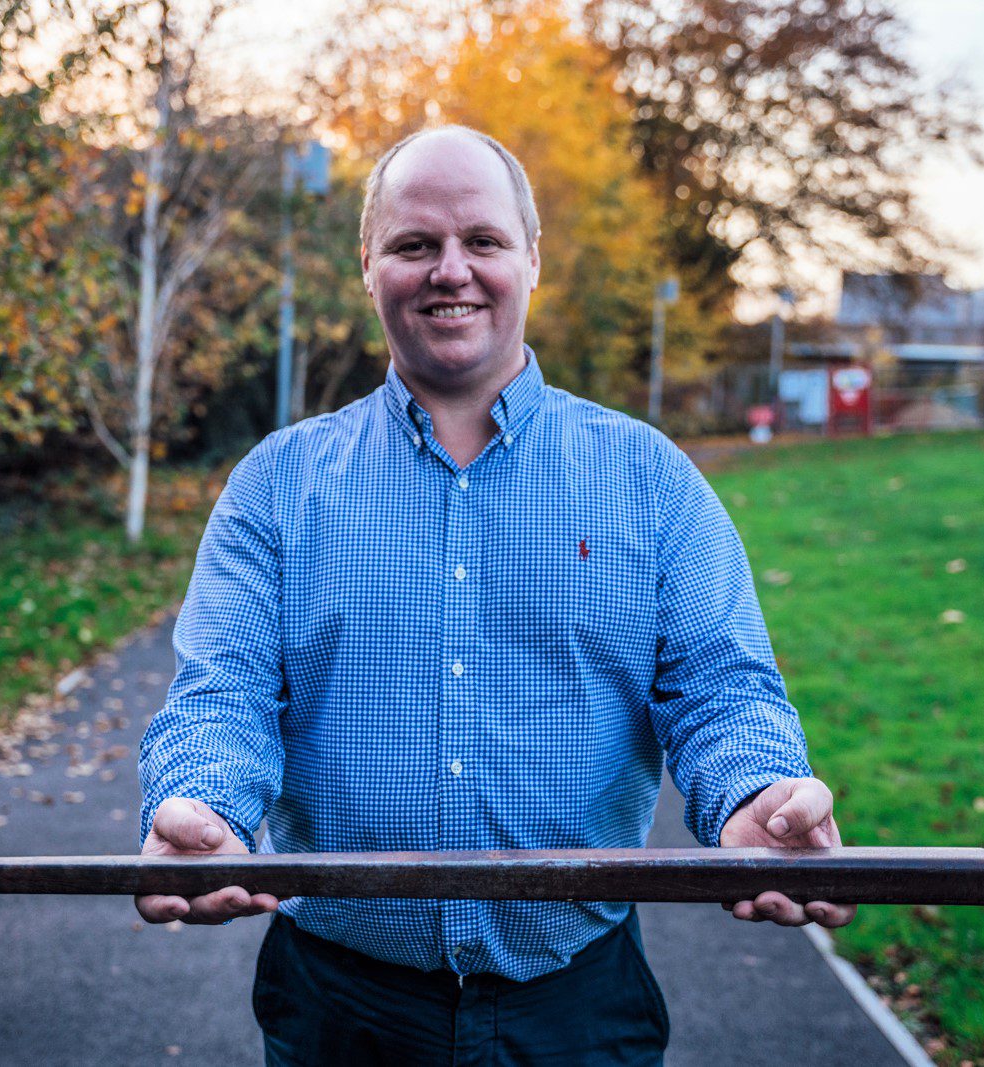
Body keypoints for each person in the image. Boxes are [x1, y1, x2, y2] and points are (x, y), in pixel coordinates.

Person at [135, 125, 854, 1064]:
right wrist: (202, 802)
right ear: (369, 265)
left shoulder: (649, 479)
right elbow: (222, 693)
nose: (451, 270)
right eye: (414, 244)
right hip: (340, 1008)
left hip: (580, 1005)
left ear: (530, 258)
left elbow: (721, 686)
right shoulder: (279, 486)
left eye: (481, 241)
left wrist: (754, 791)